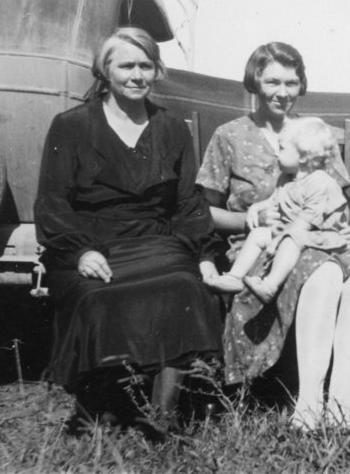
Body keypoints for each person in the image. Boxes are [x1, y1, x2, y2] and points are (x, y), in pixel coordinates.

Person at [34, 27, 223, 439]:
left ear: (157, 70)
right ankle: (105, 406)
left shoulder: (171, 128)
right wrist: (80, 251)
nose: (137, 75)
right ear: (105, 70)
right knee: (96, 295)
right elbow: (52, 201)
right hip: (90, 241)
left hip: (157, 240)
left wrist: (205, 255)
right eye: (126, 65)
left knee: (183, 286)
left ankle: (161, 416)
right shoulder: (71, 126)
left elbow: (188, 201)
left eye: (146, 65)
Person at [196, 42, 350, 430]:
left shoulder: (316, 134)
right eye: (273, 81)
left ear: (301, 85)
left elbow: (338, 202)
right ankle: (309, 403)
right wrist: (248, 220)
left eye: (292, 82)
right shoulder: (229, 136)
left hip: (319, 238)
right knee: (325, 272)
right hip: (260, 247)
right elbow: (204, 212)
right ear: (255, 82)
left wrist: (339, 221)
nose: (283, 91)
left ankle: (340, 404)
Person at [205, 117, 350, 303]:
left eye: (282, 148)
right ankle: (234, 278)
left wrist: (277, 241)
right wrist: (255, 209)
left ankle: (269, 286)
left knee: (291, 240)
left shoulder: (320, 182)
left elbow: (304, 223)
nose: (276, 153)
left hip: (323, 236)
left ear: (304, 156)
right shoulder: (287, 179)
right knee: (259, 234)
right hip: (295, 234)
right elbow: (274, 201)